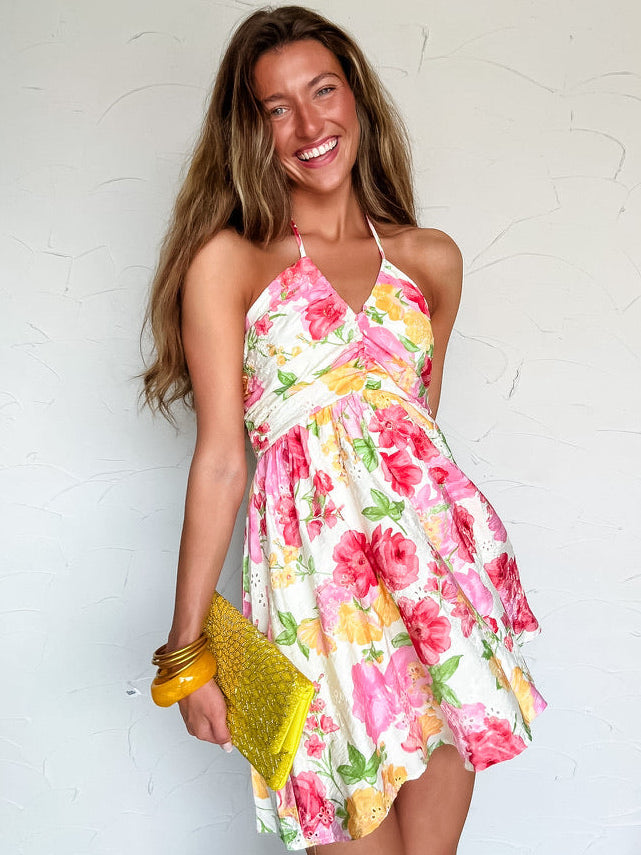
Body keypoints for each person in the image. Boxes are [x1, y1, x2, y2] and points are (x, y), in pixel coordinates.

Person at [140, 5, 548, 853]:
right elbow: (221, 459)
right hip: (306, 602)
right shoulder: (231, 260)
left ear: (357, 96)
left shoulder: (432, 259)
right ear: (251, 131)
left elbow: (412, 440)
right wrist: (187, 656)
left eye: (323, 91)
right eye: (275, 107)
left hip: (433, 592)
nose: (307, 124)